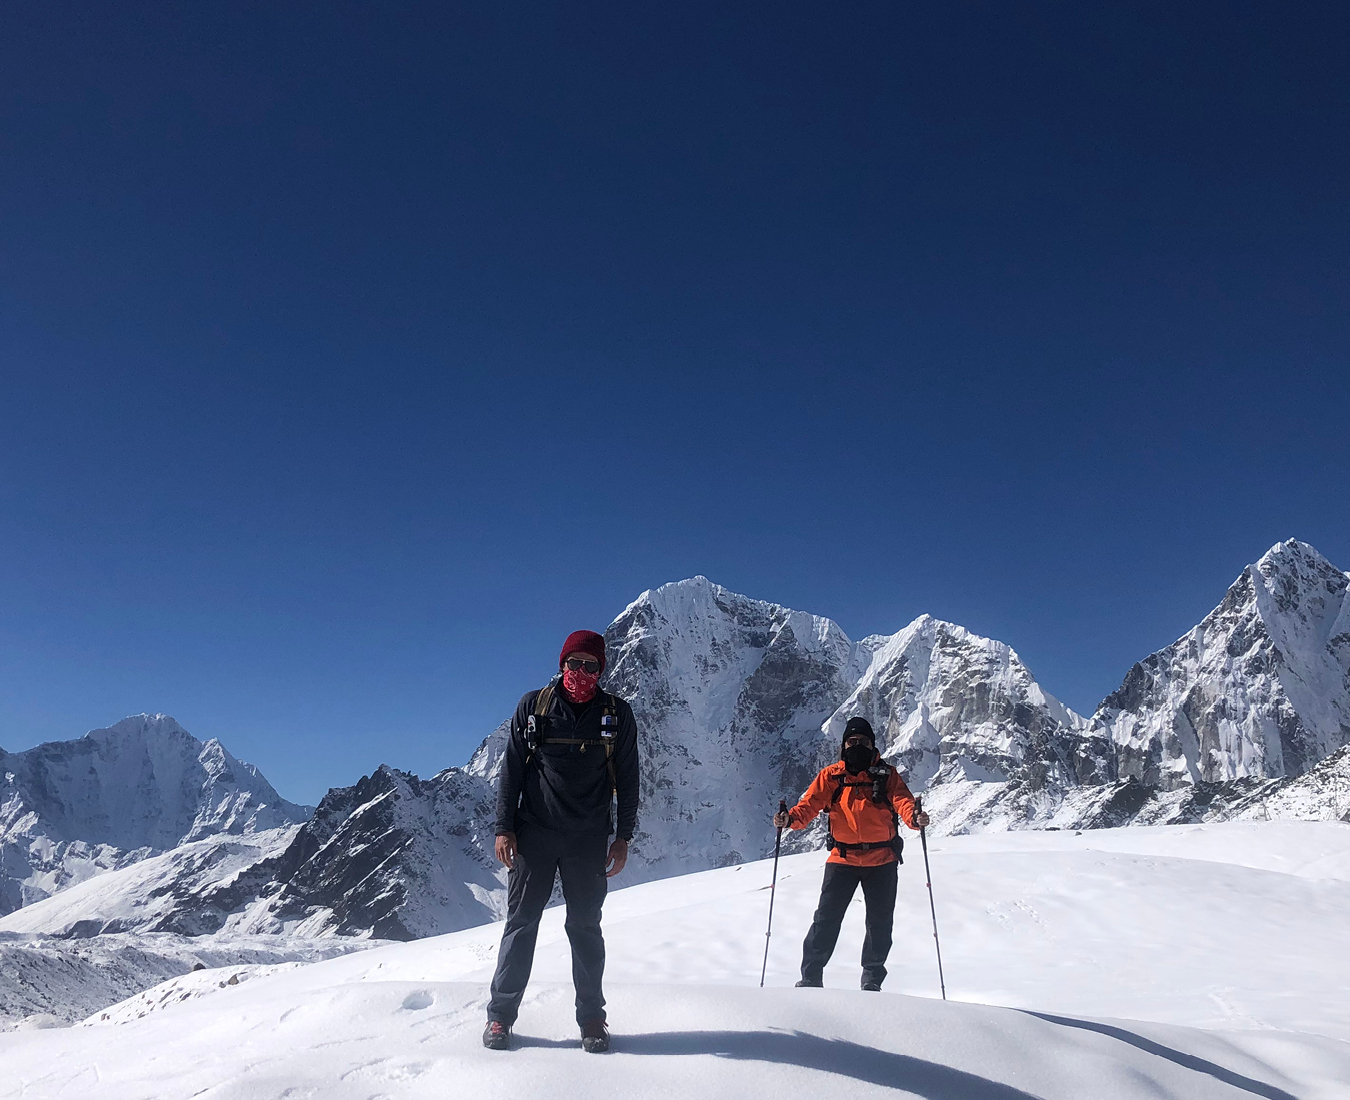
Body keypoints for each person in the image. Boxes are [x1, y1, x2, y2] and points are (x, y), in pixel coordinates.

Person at [483, 629, 640, 1054]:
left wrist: (623, 836)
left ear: (602, 669)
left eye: (591, 666)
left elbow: (628, 779)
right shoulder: (533, 708)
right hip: (534, 833)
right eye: (575, 664)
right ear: (562, 663)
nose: (582, 673)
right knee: (521, 926)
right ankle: (500, 1018)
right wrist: (504, 826)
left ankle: (592, 1019)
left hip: (588, 840)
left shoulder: (617, 715)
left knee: (585, 928)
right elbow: (511, 771)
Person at [772, 716, 930, 991]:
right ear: (844, 746)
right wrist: (790, 819)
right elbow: (808, 806)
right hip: (842, 859)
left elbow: (903, 803)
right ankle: (811, 978)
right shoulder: (830, 776)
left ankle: (871, 980)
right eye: (852, 741)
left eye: (862, 742)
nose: (857, 746)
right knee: (825, 920)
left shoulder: (888, 775)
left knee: (879, 924)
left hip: (882, 860)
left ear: (872, 745)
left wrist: (915, 818)